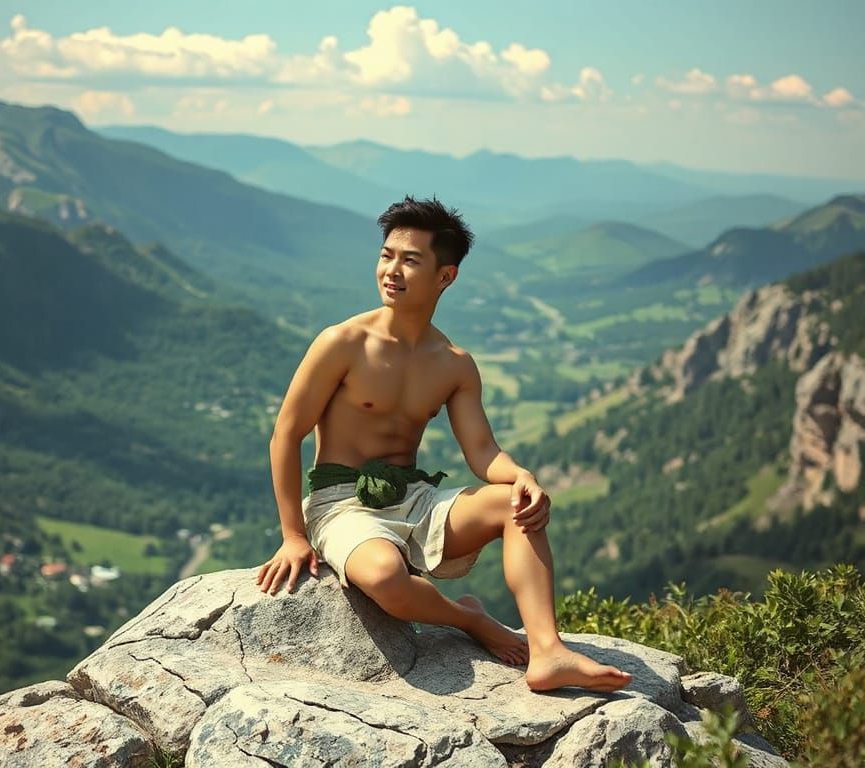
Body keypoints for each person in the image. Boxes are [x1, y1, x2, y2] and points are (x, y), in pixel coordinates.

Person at [255, 195, 632, 693]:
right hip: (342, 506)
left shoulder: (453, 363)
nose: (392, 269)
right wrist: (293, 535)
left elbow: (483, 453)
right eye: (387, 255)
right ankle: (468, 619)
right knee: (386, 576)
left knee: (514, 504)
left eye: (410, 260)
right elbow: (287, 434)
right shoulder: (342, 343)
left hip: (416, 500)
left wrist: (522, 476)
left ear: (445, 276)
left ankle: (548, 651)